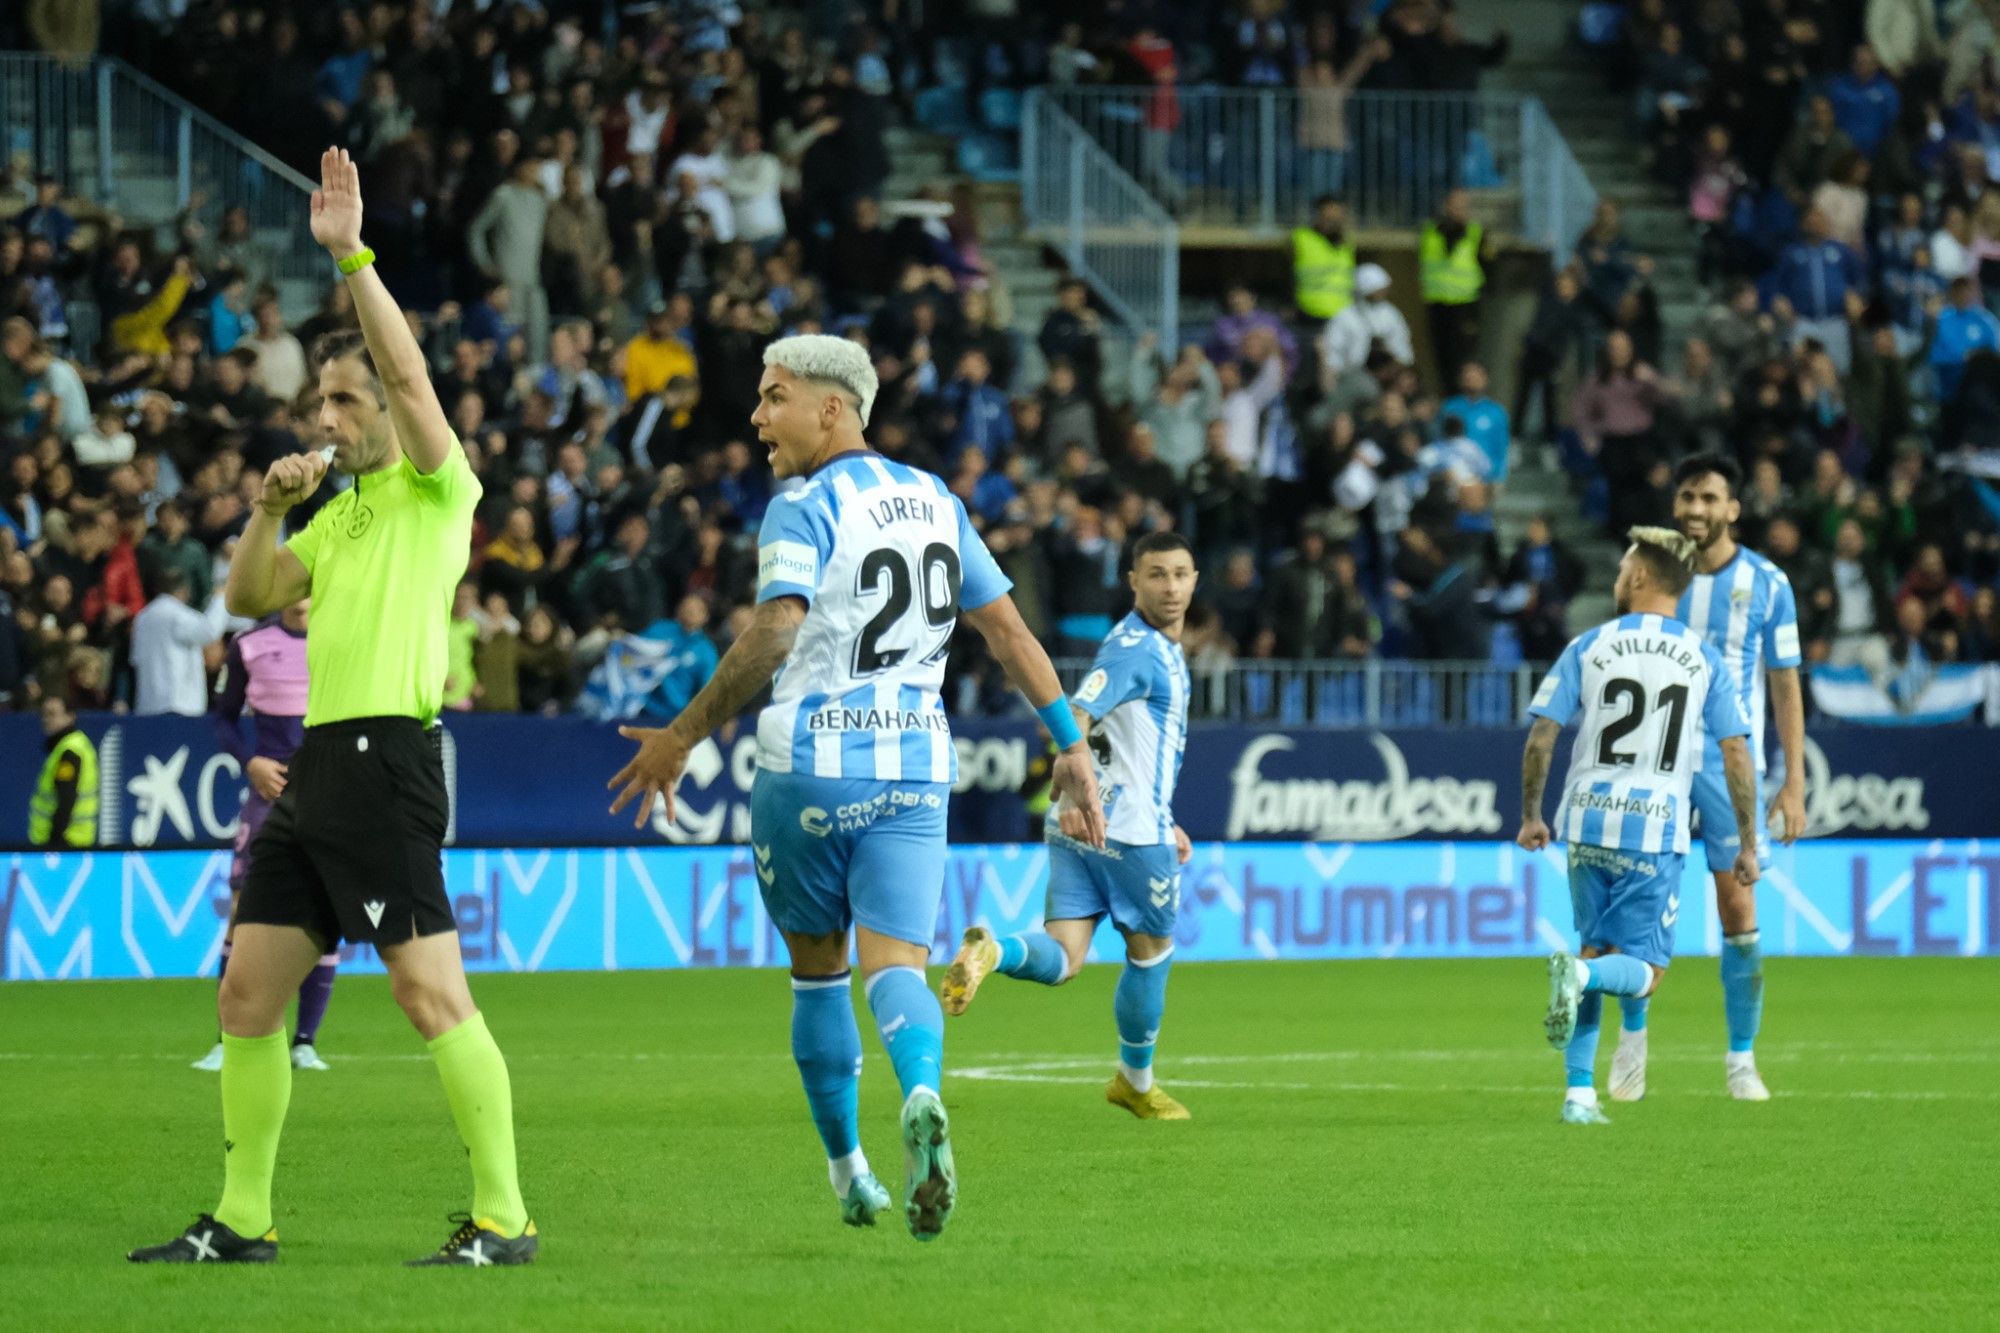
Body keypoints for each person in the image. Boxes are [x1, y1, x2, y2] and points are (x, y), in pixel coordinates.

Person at [607, 334, 1106, 1241]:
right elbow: (1009, 632)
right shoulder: (937, 498)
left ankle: (851, 1174)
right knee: (896, 970)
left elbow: (775, 631)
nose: (758, 418)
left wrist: (680, 735)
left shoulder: (802, 504)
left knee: (817, 979)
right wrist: (1069, 742)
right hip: (915, 768)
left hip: (808, 771)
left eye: (774, 397)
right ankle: (920, 1089)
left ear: (831, 408)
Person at [130, 150, 534, 1267]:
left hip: (389, 755)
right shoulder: (338, 519)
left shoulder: (435, 489)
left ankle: (504, 1216)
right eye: (321, 400)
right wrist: (265, 511)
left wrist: (350, 254)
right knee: (249, 991)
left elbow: (410, 381)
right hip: (318, 767)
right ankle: (243, 1218)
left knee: (425, 992)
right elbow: (248, 597)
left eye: (345, 396)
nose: (331, 413)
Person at [940, 532, 1197, 1121]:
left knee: (1065, 955)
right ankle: (1135, 1083)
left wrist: (1161, 814)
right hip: (1126, 833)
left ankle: (993, 952)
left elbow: (1124, 745)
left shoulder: (1137, 645)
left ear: (1195, 578)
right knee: (1151, 953)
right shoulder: (1139, 651)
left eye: (1181, 574)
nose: (1171, 587)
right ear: (1131, 581)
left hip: (1079, 826)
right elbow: (1078, 711)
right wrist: (1074, 760)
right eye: (1157, 575)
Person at [1518, 527, 1760, 1126]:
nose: (1618, 576)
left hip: (1585, 820)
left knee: (1595, 946)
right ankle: (1582, 976)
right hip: (1653, 828)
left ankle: (1579, 1095)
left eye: (1624, 568)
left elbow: (1542, 736)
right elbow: (1734, 752)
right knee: (1643, 975)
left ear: (1641, 578)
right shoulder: (1703, 658)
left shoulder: (1590, 645)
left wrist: (1530, 815)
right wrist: (1748, 843)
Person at [1613, 453, 1803, 1104]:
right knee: (1640, 902)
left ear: (1734, 509)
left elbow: (1785, 685)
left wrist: (1795, 779)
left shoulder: (1769, 584)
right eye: (1687, 496)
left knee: (1739, 905)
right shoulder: (1653, 571)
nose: (1696, 508)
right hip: (1652, 757)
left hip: (1729, 763)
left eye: (1710, 498)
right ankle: (1632, 1043)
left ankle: (1741, 1060)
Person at [192, 598, 337, 1075]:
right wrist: (250, 762)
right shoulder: (250, 645)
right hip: (269, 798)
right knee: (241, 911)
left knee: (327, 913)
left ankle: (304, 1041)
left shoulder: (344, 636)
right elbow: (223, 717)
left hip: (327, 794)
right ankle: (225, 1039)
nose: (301, 595)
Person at [1419, 188, 1491, 387]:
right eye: (1454, 205)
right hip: (1438, 304)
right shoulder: (1430, 231)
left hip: (1465, 306)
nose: (1458, 211)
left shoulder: (1476, 233)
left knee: (1465, 358)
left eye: (1462, 206)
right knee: (1442, 358)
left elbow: (1488, 267)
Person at [29, 695, 97, 849]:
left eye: (52, 714)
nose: (46, 719)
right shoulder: (72, 744)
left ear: (70, 717)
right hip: (72, 840)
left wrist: (55, 841)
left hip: (65, 842)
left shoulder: (70, 751)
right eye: (44, 714)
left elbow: (66, 797)